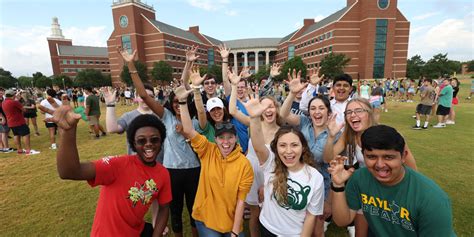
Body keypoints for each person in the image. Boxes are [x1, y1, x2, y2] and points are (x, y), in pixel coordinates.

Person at [53, 102, 171, 236]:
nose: (148, 144)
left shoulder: (163, 173)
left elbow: (164, 208)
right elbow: (69, 171)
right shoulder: (117, 165)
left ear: (161, 142)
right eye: (141, 140)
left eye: (154, 139)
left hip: (136, 231)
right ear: (133, 144)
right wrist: (68, 132)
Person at [119, 46, 200, 237]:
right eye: (174, 103)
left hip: (194, 170)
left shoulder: (196, 119)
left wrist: (188, 64)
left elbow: (186, 88)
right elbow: (145, 96)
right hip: (171, 170)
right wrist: (131, 65)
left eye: (180, 103)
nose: (178, 106)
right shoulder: (167, 118)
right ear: (171, 105)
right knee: (175, 211)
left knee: (195, 209)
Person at [329, 125, 456, 236]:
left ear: (403, 156)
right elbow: (342, 221)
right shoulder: (359, 178)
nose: (379, 164)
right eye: (371, 157)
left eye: (388, 157)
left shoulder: (432, 199)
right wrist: (338, 184)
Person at [175, 85, 253, 237]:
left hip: (231, 221)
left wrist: (235, 232)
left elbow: (241, 201)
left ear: (235, 138)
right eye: (221, 138)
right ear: (215, 139)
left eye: (230, 137)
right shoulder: (207, 151)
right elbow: (189, 131)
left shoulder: (244, 164)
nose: (226, 142)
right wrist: (183, 102)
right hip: (206, 218)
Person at [244, 91, 324, 236]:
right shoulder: (271, 166)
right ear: (275, 148)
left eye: (294, 145)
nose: (288, 151)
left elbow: (311, 216)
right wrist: (255, 118)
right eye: (282, 146)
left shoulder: (315, 178)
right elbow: (258, 147)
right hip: (268, 229)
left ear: (303, 147)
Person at [228, 67, 282, 237]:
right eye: (264, 107)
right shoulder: (253, 123)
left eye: (271, 106)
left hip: (273, 173)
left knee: (272, 209)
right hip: (252, 170)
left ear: (276, 109)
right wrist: (235, 86)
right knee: (254, 213)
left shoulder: (283, 131)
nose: (268, 110)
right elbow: (232, 111)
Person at [2, 89, 39, 155]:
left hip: (11, 122)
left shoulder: (3, 102)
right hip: (19, 121)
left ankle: (19, 150)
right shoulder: (14, 102)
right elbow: (24, 110)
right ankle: (28, 150)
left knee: (16, 135)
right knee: (26, 134)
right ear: (12, 95)